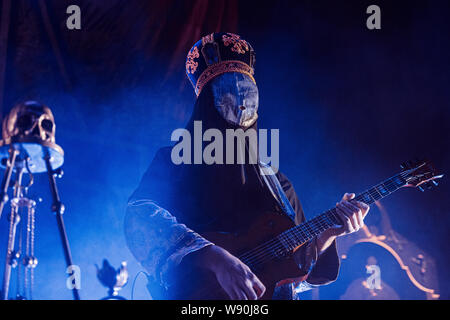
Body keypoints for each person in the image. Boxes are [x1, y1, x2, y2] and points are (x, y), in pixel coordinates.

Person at [124, 32, 370, 300]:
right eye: (229, 90)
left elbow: (296, 275)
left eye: (249, 91)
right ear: (207, 103)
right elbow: (139, 218)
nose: (242, 102)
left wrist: (330, 234)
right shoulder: (175, 161)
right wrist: (215, 258)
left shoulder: (276, 182)